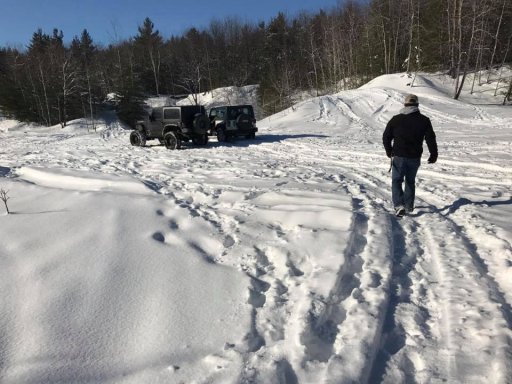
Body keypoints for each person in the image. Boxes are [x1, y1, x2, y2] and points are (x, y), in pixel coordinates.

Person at [382, 94, 438, 217]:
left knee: (397, 181)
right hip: (415, 157)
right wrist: (434, 153)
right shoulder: (424, 120)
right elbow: (430, 138)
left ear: (405, 104)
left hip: (399, 156)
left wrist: (388, 150)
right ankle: (408, 206)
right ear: (417, 105)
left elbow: (386, 137)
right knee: (410, 181)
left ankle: (399, 206)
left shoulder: (395, 119)